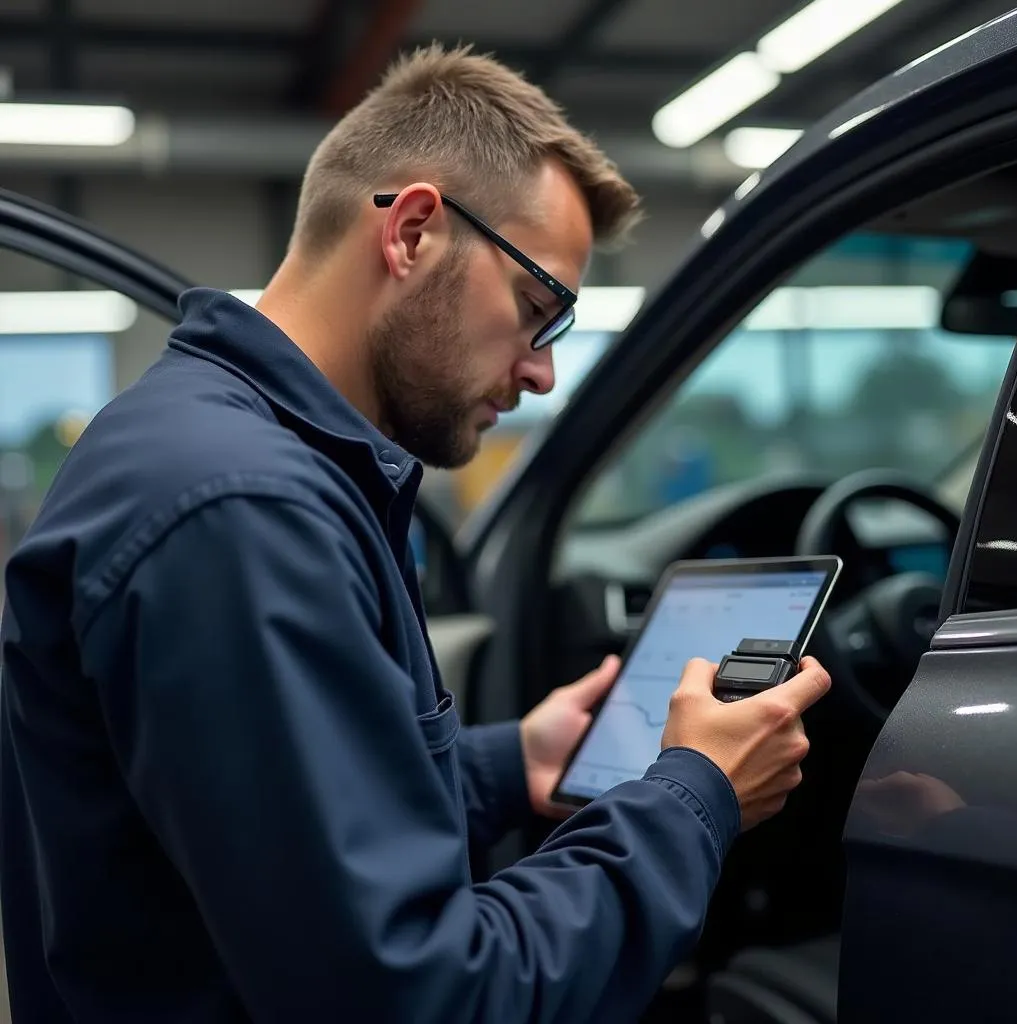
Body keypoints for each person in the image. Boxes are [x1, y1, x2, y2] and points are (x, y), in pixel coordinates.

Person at [0, 45, 830, 1024]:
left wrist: (505, 764)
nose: (541, 374)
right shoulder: (243, 512)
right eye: (537, 309)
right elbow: (427, 996)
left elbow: (270, 832)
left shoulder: (230, 452)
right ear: (414, 233)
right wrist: (696, 795)